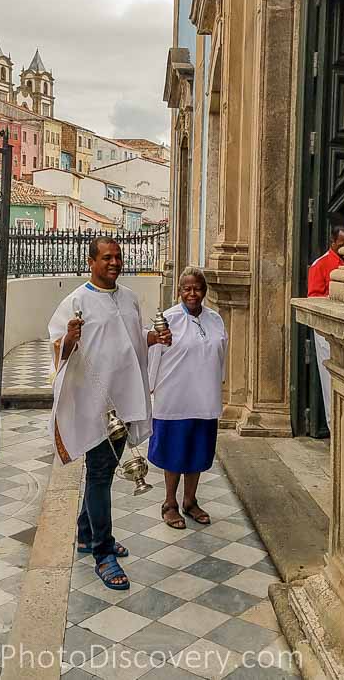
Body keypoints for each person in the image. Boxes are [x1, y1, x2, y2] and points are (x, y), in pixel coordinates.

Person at [48, 236, 171, 591]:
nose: (114, 263)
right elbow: (59, 346)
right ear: (91, 262)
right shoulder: (76, 301)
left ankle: (87, 535)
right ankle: (104, 553)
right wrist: (70, 338)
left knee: (104, 471)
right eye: (106, 258)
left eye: (117, 257)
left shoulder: (129, 297)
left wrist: (154, 339)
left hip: (127, 399)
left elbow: (130, 337)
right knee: (101, 475)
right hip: (96, 406)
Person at [147, 266, 228, 529]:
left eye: (197, 288)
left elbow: (221, 353)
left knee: (197, 451)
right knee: (174, 452)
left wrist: (219, 384)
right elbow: (153, 356)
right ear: (179, 291)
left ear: (204, 291)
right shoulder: (167, 319)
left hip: (205, 397)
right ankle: (169, 503)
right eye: (186, 289)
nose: (192, 293)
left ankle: (190, 500)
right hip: (175, 397)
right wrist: (150, 388)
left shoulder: (215, 319)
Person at [307, 221, 344, 428]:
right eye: (341, 244)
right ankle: (333, 425)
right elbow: (314, 296)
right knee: (328, 379)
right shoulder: (320, 264)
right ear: (332, 242)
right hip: (326, 330)